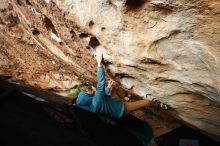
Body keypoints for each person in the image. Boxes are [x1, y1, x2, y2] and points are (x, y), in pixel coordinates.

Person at [75, 53, 169, 119]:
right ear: (87, 97)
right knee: (146, 103)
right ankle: (158, 104)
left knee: (111, 91)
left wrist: (108, 87)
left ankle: (126, 99)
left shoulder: (92, 106)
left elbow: (104, 96)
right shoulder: (96, 100)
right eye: (86, 92)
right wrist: (99, 63)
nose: (88, 91)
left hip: (115, 111)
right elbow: (100, 83)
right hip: (123, 109)